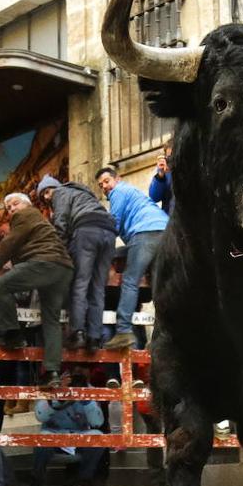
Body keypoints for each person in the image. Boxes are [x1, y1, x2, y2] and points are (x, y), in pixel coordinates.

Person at [0, 193, 73, 388]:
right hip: (63, 268)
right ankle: (52, 373)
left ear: (27, 204)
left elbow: (11, 242)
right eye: (8, 208)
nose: (11, 209)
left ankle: (12, 334)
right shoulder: (39, 220)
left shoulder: (25, 215)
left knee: (1, 286)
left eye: (14, 203)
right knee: (50, 320)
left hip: (44, 263)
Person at [37, 175, 117, 352]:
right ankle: (95, 339)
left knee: (80, 283)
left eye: (47, 192)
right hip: (109, 232)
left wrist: (57, 253)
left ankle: (77, 333)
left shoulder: (61, 192)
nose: (47, 197)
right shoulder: (85, 194)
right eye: (43, 196)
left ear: (54, 188)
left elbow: (61, 224)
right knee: (98, 288)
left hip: (86, 230)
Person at [95, 166, 169, 350]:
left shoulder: (119, 191)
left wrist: (103, 254)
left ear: (117, 179)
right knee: (160, 286)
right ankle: (162, 337)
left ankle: (123, 331)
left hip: (145, 232)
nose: (104, 187)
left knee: (129, 281)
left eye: (106, 181)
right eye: (100, 185)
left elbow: (114, 223)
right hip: (166, 232)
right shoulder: (133, 193)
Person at [28, 399, 105, 486]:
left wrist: (87, 403)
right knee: (42, 439)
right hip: (53, 432)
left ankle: (83, 481)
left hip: (80, 434)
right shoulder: (48, 389)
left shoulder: (87, 390)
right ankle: (35, 480)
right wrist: (56, 402)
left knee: (99, 437)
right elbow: (41, 416)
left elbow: (97, 422)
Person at [148, 141, 173, 215]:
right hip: (170, 218)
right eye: (169, 157)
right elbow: (154, 197)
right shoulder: (164, 172)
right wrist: (160, 175)